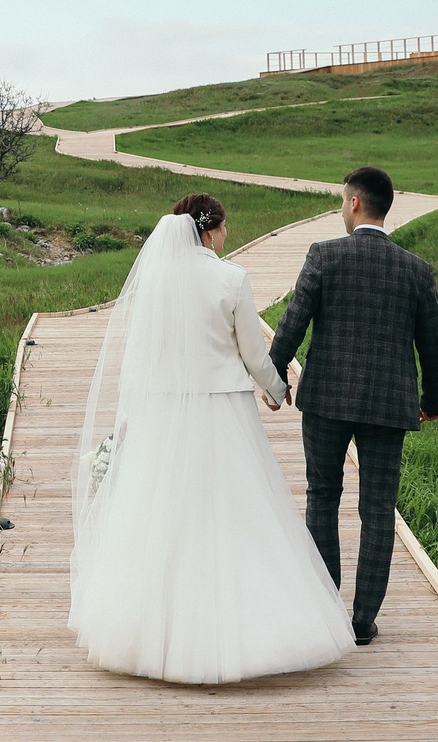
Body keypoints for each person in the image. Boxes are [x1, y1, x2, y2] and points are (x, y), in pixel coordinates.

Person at [68, 192, 356, 683]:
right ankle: (248, 633)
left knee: (166, 510)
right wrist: (276, 389)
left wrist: (132, 415)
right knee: (234, 508)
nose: (226, 235)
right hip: (222, 409)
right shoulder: (230, 278)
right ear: (208, 229)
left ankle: (148, 635)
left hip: (164, 409)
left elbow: (141, 356)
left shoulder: (155, 282)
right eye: (223, 227)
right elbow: (252, 351)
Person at [267, 166, 438, 646]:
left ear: (354, 203)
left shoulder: (324, 255)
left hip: (326, 398)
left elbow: (293, 321)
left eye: (341, 201)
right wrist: (431, 401)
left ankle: (326, 609)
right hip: (390, 405)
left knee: (322, 497)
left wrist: (274, 376)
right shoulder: (415, 269)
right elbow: (434, 345)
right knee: (378, 509)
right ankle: (364, 620)